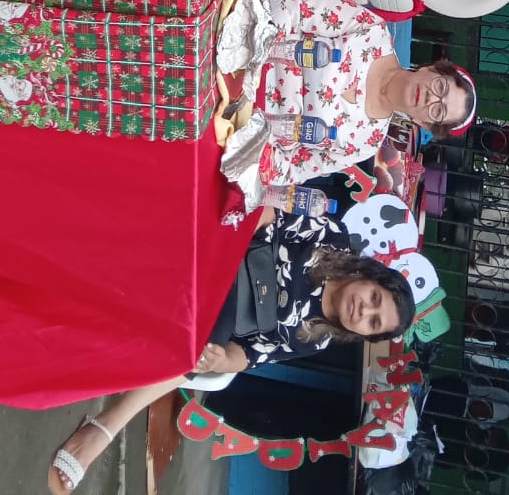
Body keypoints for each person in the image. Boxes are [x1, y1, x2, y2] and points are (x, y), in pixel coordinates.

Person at [47, 207, 416, 493]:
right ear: (371, 277)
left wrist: (224, 360)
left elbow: (250, 355)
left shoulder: (314, 338)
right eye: (374, 298)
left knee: (197, 356)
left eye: (373, 323)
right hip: (217, 253)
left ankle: (106, 425)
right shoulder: (332, 240)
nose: (364, 311)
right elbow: (268, 217)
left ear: (364, 335)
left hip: (213, 321)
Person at [261, 0, 477, 186]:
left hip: (248, 125)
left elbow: (288, 169)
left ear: (424, 123)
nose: (432, 98)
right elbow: (295, 8)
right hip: (253, 48)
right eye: (440, 87)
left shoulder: (365, 143)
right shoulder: (372, 32)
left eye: (438, 110)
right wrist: (259, 49)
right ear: (431, 68)